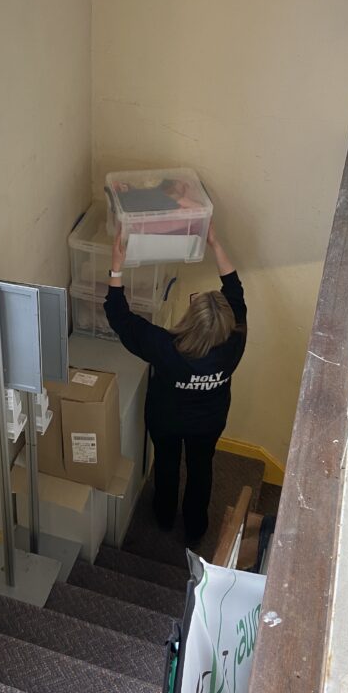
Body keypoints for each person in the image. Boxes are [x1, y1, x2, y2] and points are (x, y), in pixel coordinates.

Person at [104, 222, 247, 542]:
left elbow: (119, 317)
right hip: (209, 422)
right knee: (201, 468)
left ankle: (164, 516)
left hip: (166, 420)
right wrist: (215, 242)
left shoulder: (166, 348)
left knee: (166, 465)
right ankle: (196, 527)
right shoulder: (234, 341)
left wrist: (116, 268)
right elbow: (235, 292)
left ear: (189, 319)